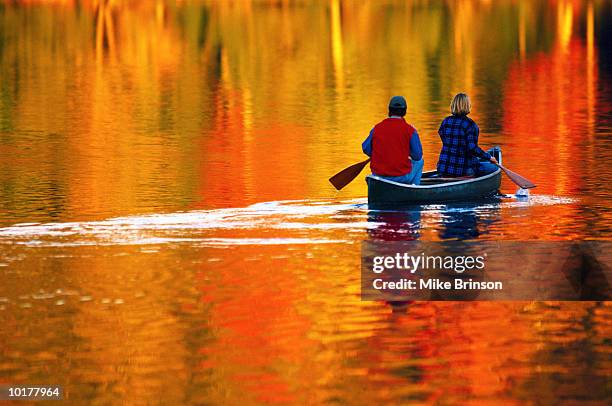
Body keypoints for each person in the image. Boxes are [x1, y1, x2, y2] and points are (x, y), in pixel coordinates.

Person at [362, 96, 424, 185]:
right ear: (405, 111)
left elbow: (365, 148)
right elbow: (417, 156)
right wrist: (406, 151)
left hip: (379, 176)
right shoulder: (410, 130)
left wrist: (380, 154)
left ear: (389, 111)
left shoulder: (377, 128)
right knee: (420, 161)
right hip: (401, 177)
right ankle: (414, 190)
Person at [436, 93, 498, 177]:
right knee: (494, 168)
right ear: (468, 106)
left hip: (443, 168)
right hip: (463, 170)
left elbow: (443, 136)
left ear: (453, 105)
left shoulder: (445, 121)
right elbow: (472, 148)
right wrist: (489, 157)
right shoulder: (470, 124)